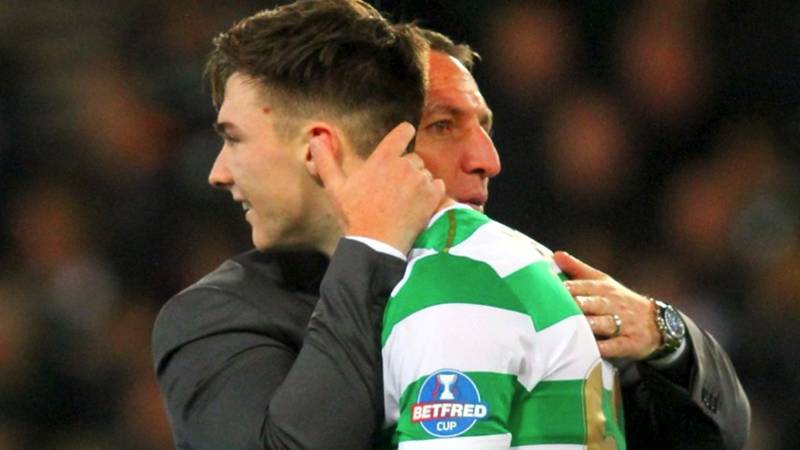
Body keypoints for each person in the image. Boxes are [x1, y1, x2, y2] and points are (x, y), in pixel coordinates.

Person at [153, 2, 749, 449]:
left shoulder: (511, 280)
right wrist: (371, 248)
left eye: (484, 125)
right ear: (376, 141)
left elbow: (721, 434)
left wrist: (667, 335)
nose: (487, 158)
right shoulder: (222, 317)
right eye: (443, 126)